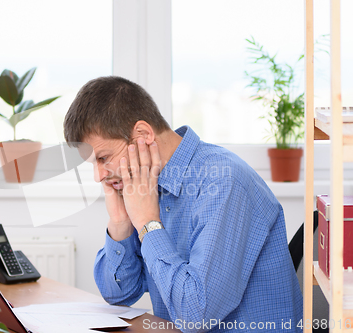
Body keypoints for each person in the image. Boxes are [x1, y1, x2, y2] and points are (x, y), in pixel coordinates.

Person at [63, 76, 303, 332]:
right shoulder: (144, 186)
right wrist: (120, 223)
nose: (98, 176)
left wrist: (147, 223)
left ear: (143, 135)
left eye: (103, 157)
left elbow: (195, 314)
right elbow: (119, 295)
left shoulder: (223, 180)